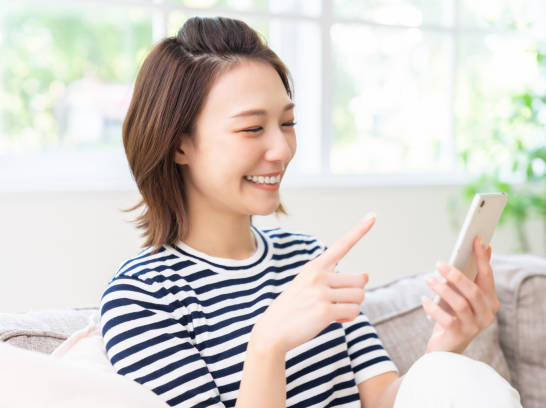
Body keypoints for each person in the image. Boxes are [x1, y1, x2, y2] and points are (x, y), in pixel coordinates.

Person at [100, 16, 522, 408]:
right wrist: (267, 344)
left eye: (287, 123)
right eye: (251, 128)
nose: (281, 150)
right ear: (179, 145)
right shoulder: (142, 299)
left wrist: (445, 348)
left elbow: (381, 399)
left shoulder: (308, 260)